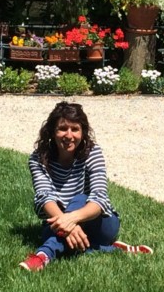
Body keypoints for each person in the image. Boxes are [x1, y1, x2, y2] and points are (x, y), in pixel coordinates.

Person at [19, 101, 153, 271]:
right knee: (60, 239)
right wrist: (68, 226)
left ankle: (43, 255)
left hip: (101, 222)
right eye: (62, 129)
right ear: (52, 132)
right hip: (58, 223)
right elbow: (44, 197)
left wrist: (70, 219)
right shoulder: (38, 159)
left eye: (75, 129)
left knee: (81, 198)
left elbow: (99, 198)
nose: (69, 135)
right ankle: (113, 249)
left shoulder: (92, 153)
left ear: (83, 132)